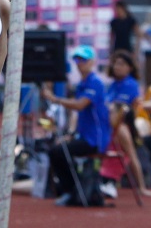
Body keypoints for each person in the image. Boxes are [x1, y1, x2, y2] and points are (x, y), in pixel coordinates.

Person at [41, 45, 111, 206]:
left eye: (83, 60)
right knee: (56, 149)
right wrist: (71, 134)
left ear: (92, 62)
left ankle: (72, 191)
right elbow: (80, 114)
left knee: (58, 152)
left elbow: (80, 105)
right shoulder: (82, 84)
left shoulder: (95, 83)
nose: (79, 63)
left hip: (95, 140)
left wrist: (54, 99)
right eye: (77, 60)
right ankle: (72, 190)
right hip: (85, 136)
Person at [99, 101, 151, 200]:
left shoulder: (122, 131)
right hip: (103, 170)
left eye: (111, 112)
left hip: (108, 175)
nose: (107, 114)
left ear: (119, 115)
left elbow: (133, 158)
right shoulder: (111, 128)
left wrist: (142, 187)